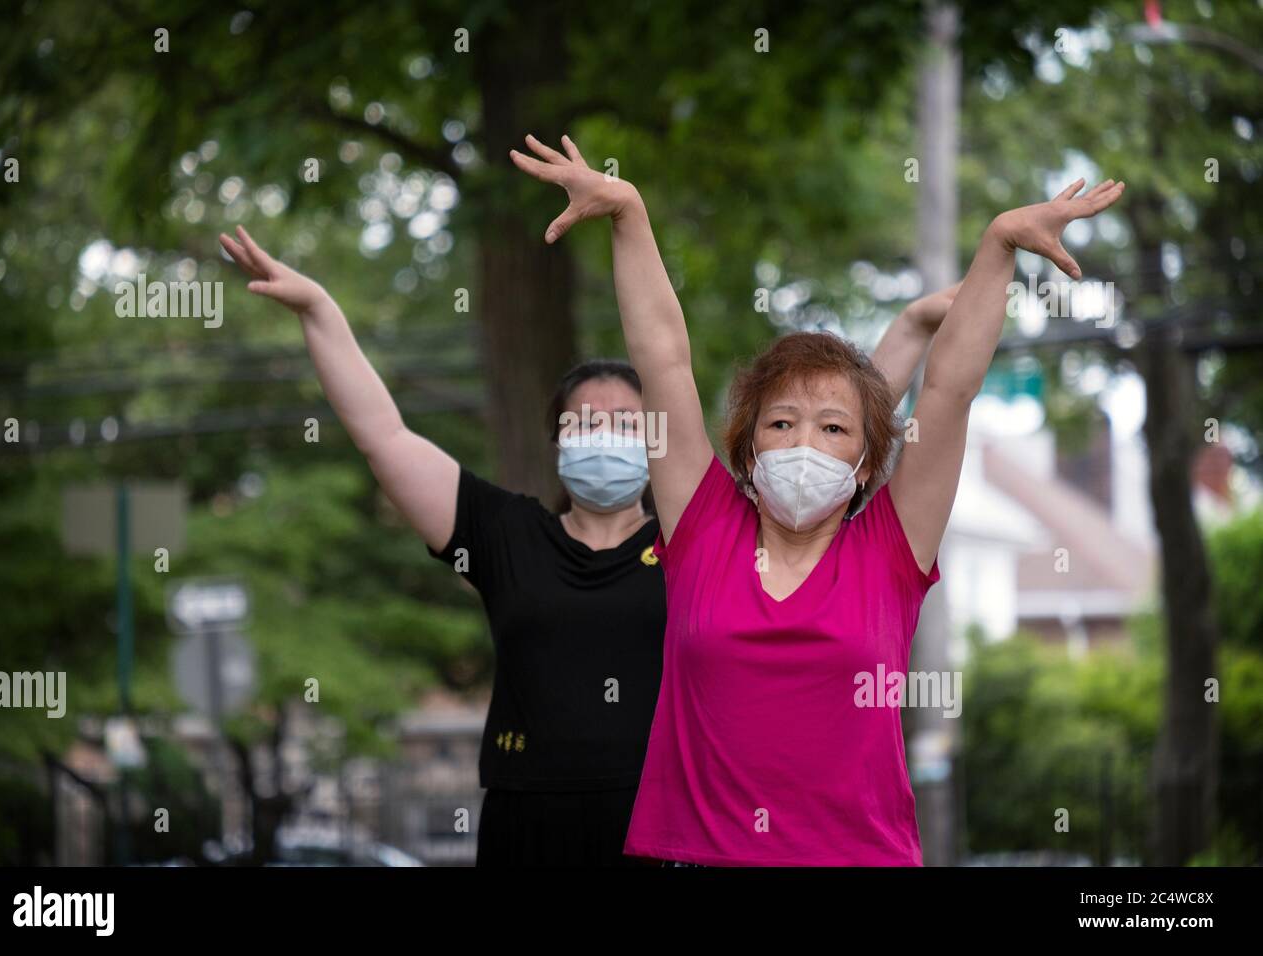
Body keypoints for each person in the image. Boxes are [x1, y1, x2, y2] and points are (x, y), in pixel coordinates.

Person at [218, 204, 959, 865]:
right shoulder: (506, 535)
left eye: (627, 422)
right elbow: (384, 438)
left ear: (659, 439)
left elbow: (827, 434)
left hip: (668, 822)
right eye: (585, 421)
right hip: (528, 819)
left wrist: (912, 331)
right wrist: (320, 311)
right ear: (555, 439)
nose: (605, 434)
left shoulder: (707, 537)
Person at [512, 132, 1124, 865]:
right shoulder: (703, 527)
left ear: (866, 462)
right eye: (780, 422)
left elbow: (951, 389)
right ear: (746, 449)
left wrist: (998, 244)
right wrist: (628, 213)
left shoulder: (892, 552)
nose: (803, 443)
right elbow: (664, 358)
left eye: (833, 427)